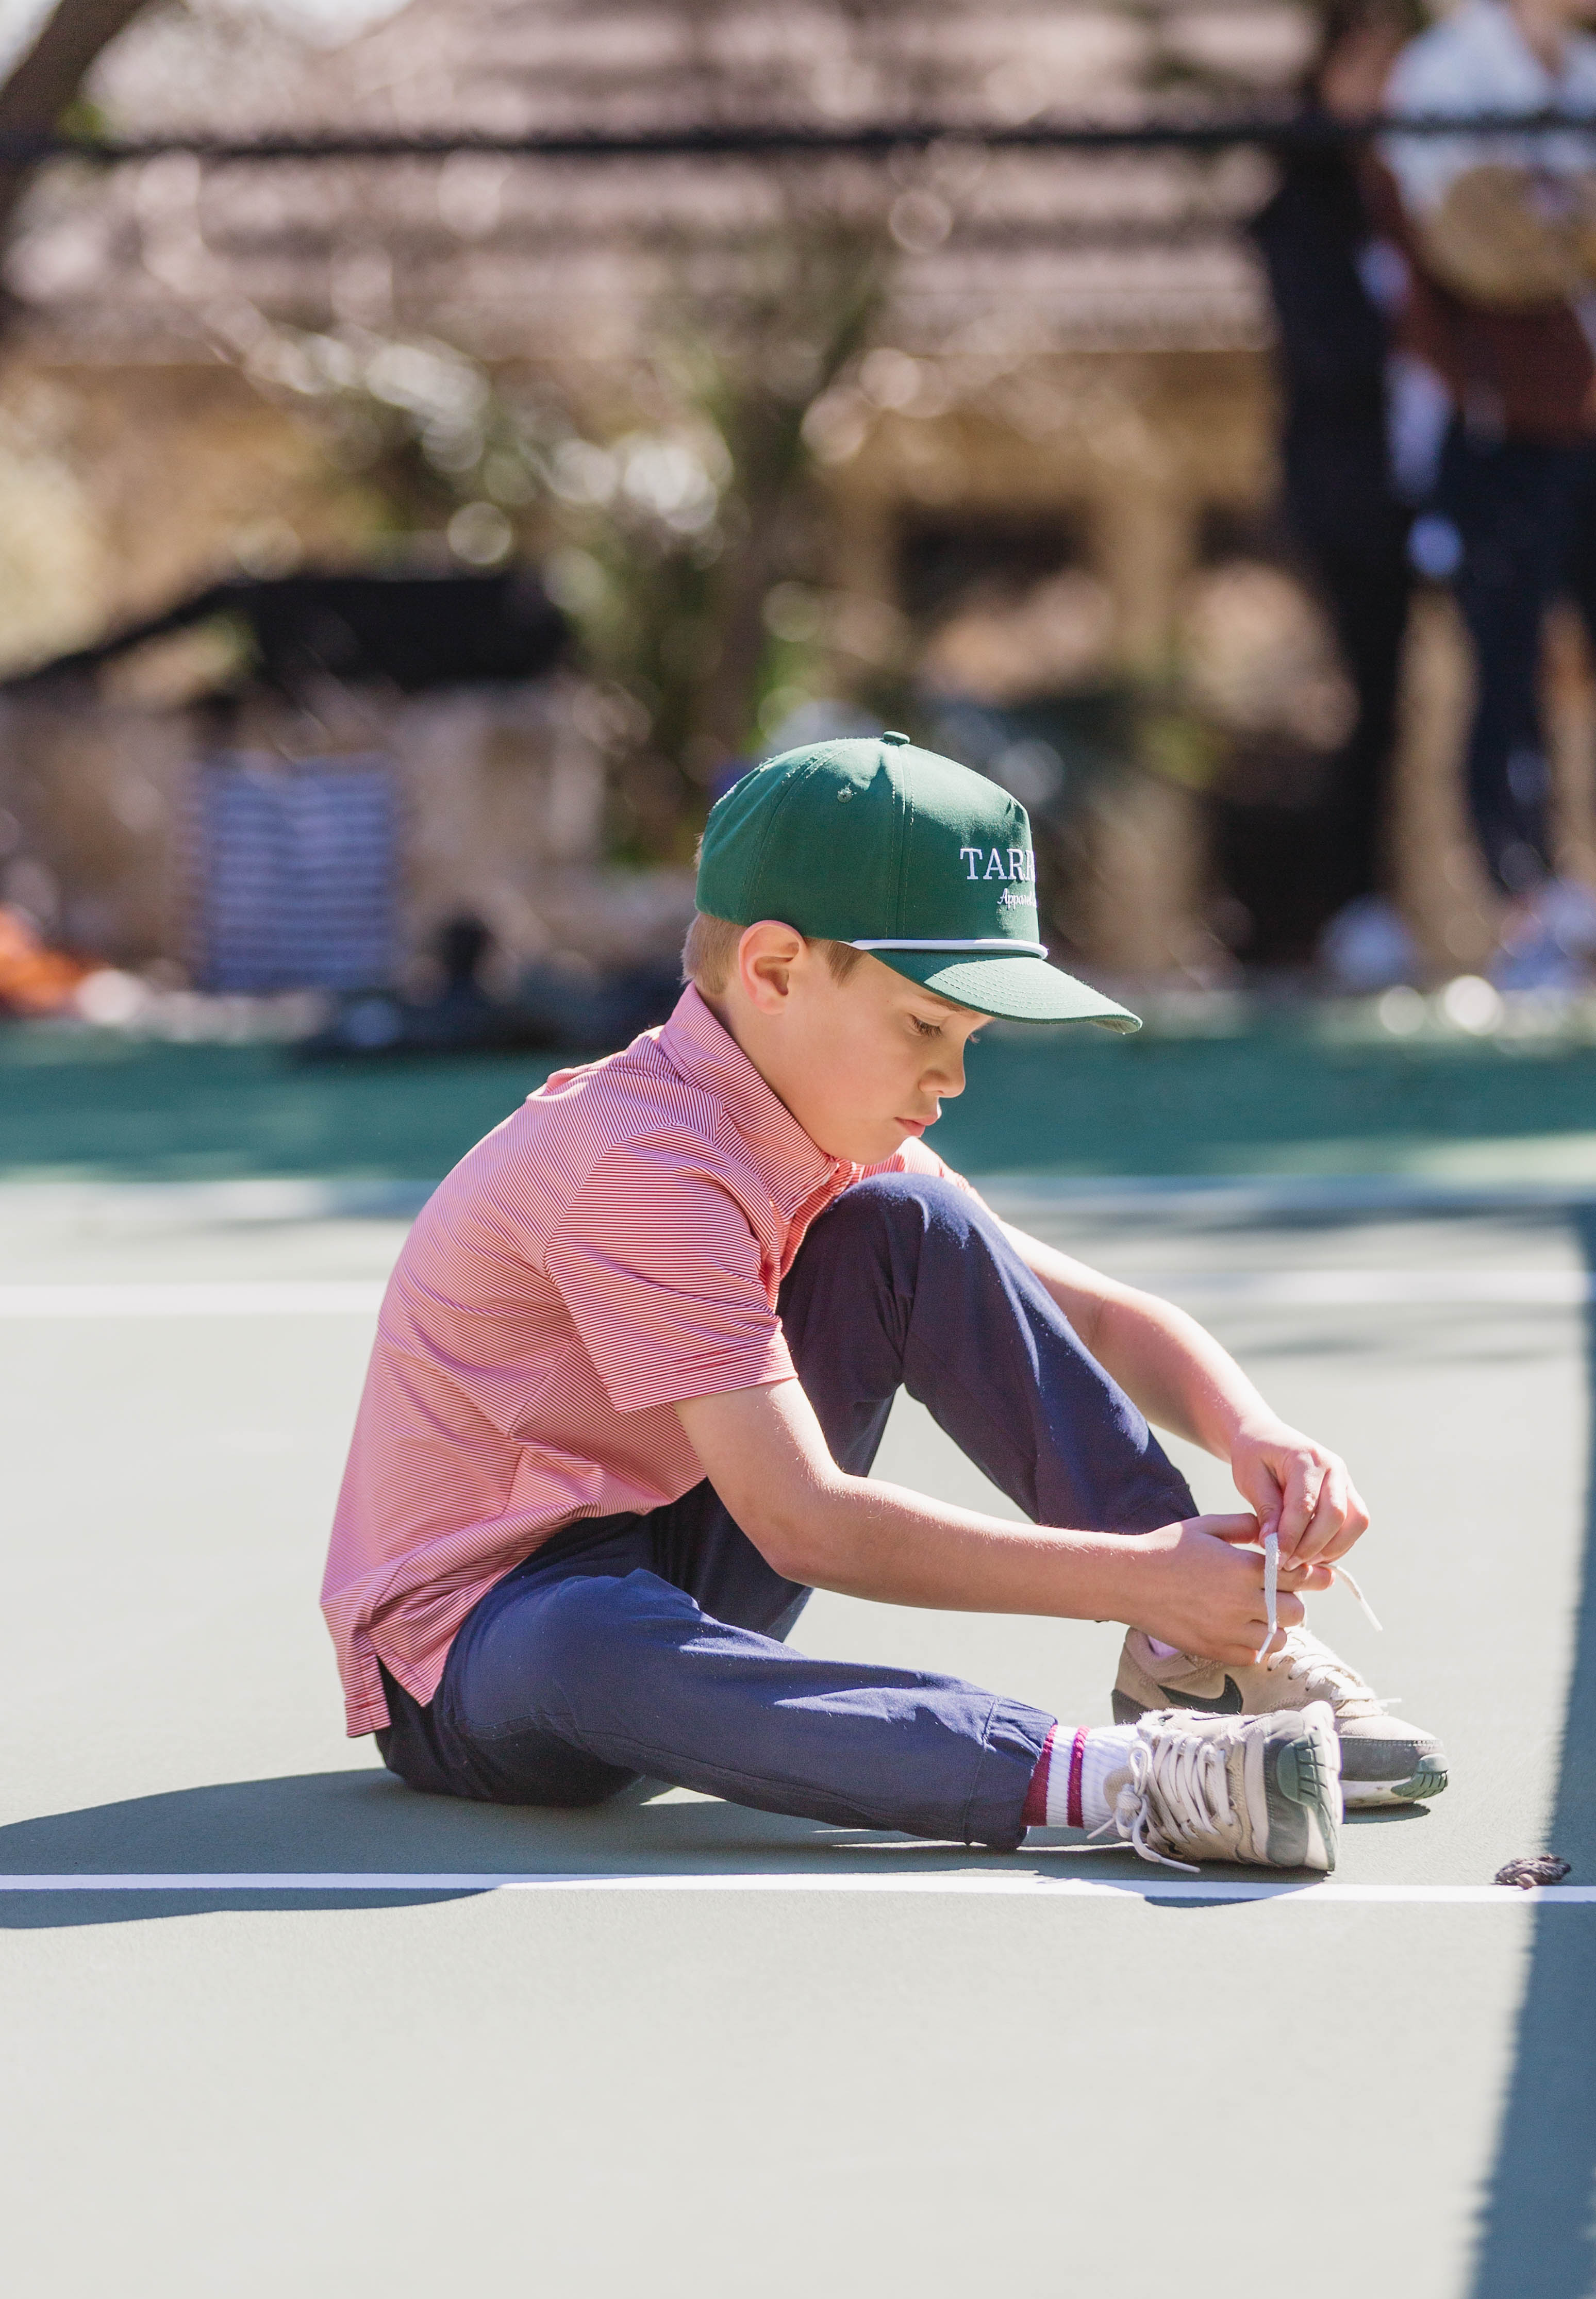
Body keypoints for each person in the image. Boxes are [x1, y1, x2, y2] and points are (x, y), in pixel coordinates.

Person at [322, 735, 1446, 1874]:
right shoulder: (640, 1170)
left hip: (676, 1550)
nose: (951, 1079)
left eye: (967, 1039)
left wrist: (1251, 1427)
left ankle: (1195, 1655)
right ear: (771, 972)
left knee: (921, 1233)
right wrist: (1132, 1569)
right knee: (587, 1638)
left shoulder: (826, 1135)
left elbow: (1096, 1319)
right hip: (481, 1655)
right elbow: (803, 1524)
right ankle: (1114, 1779)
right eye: (924, 1026)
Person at [1381, 0, 1596, 980]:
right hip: (1499, 427)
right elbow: (1483, 250)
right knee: (1504, 674)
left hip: (1589, 423)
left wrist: (1554, 219)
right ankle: (1529, 914)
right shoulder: (1444, 75)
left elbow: (1539, 235)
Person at [1250, 0, 1424, 990]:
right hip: (1356, 496)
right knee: (1374, 703)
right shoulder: (1301, 208)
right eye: (1365, 70)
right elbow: (1332, 355)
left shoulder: (1436, 188)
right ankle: (1360, 908)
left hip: (1463, 477)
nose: (1385, 93)